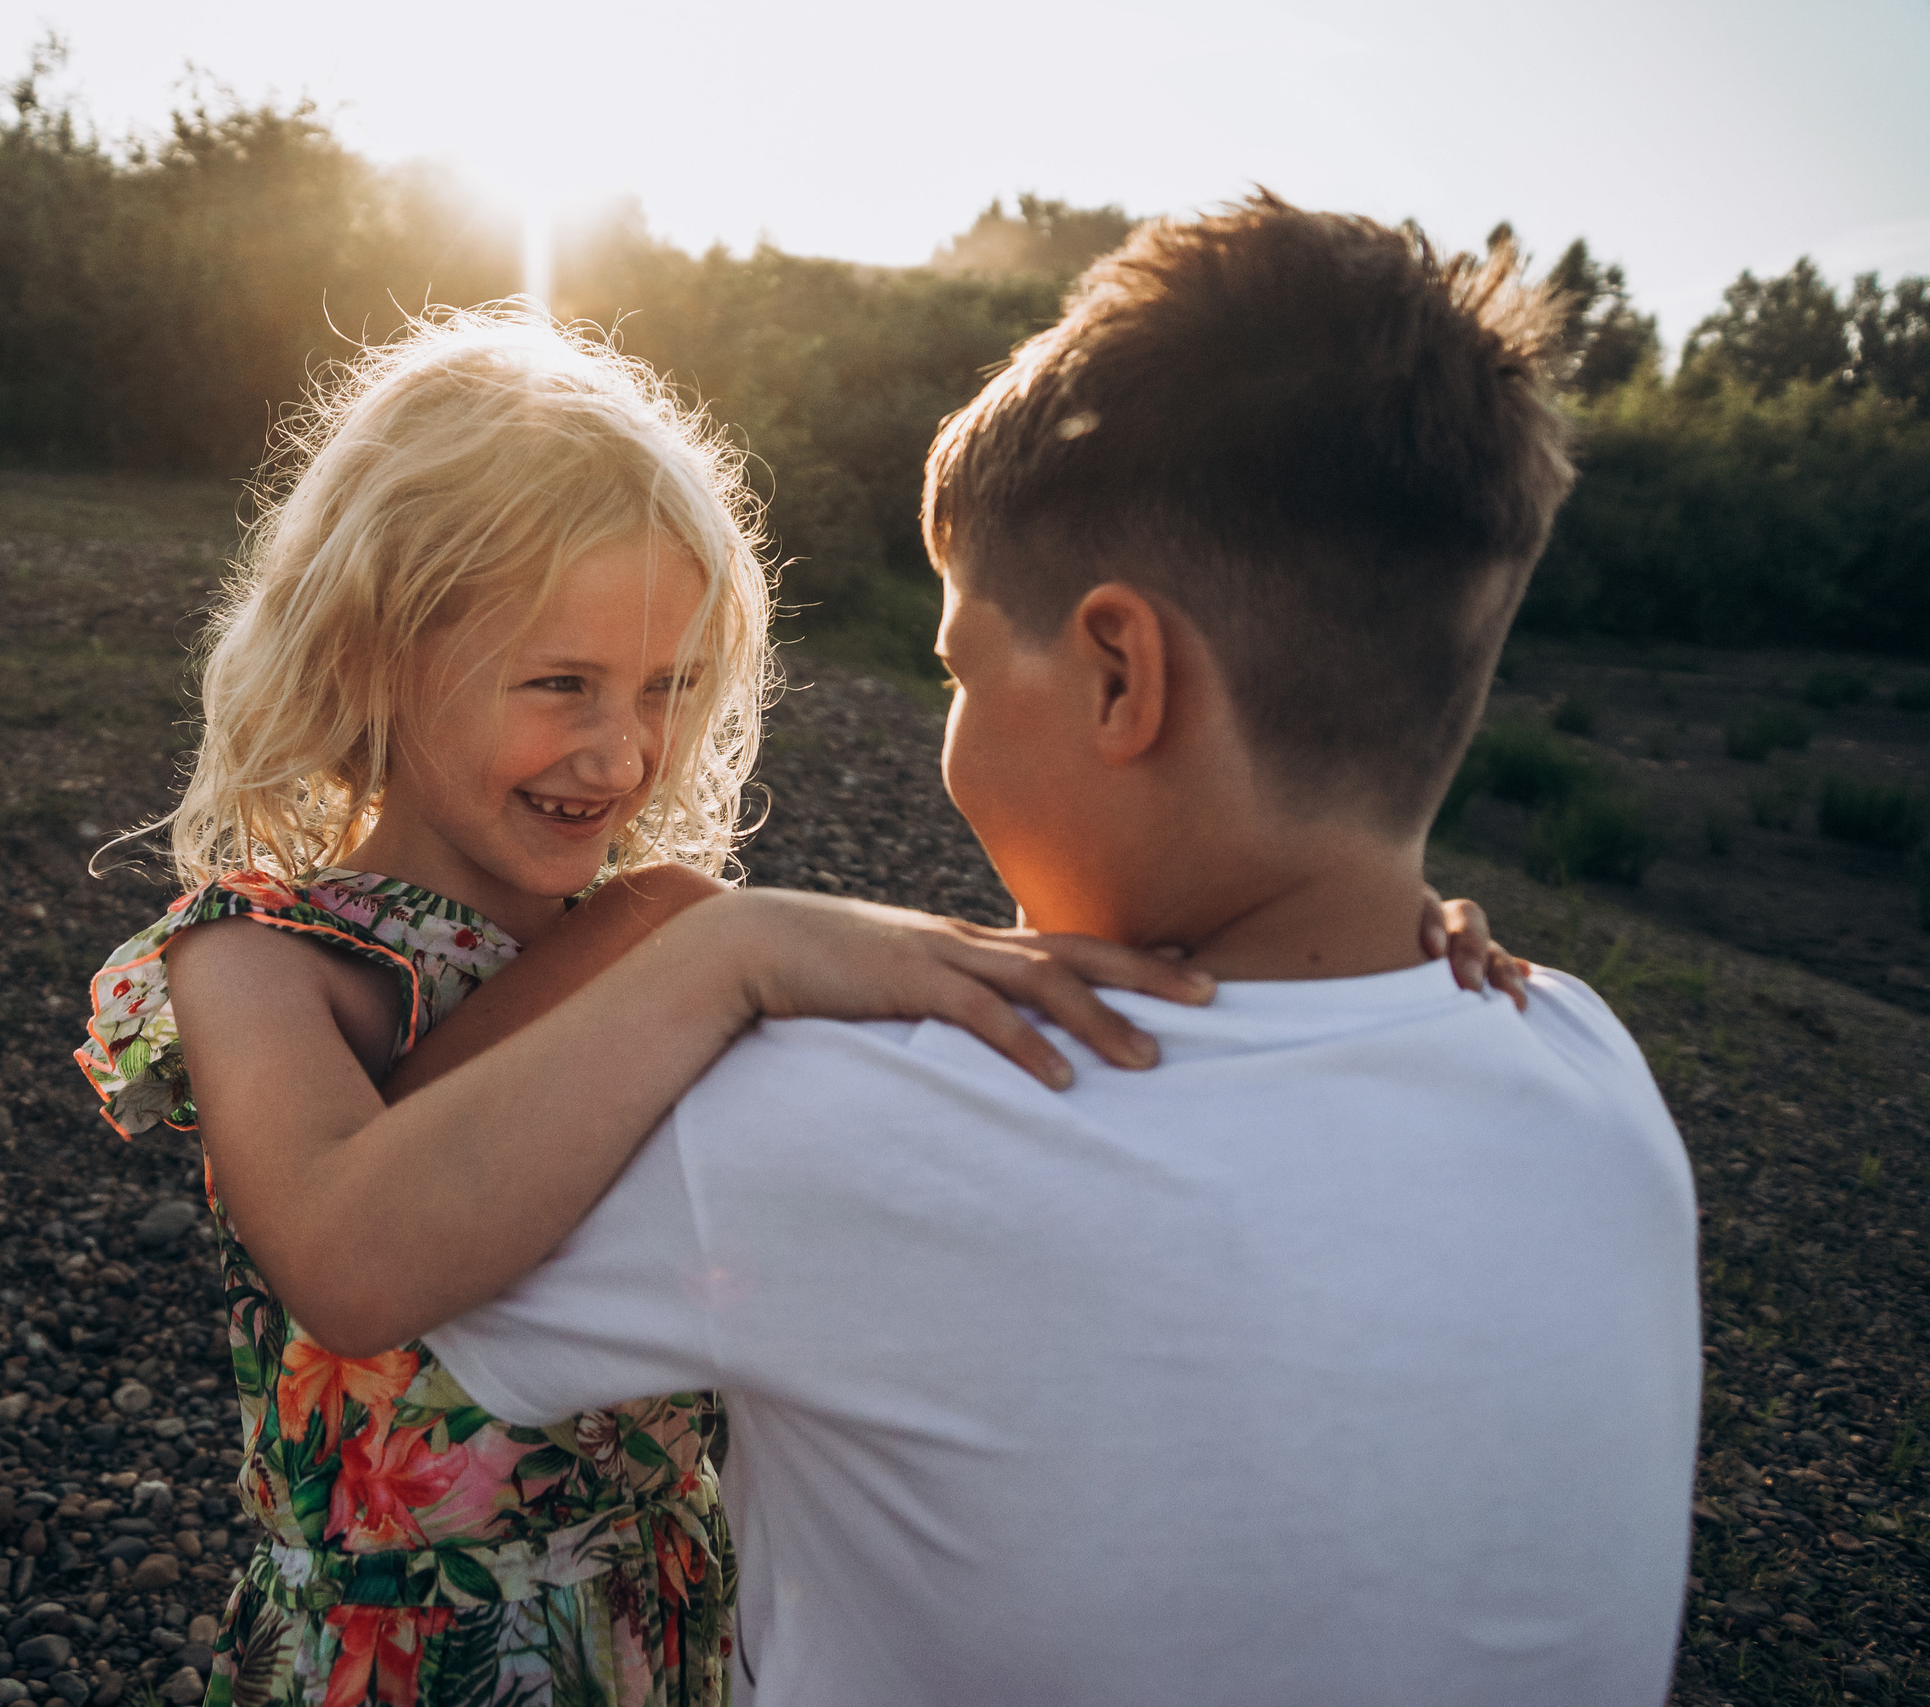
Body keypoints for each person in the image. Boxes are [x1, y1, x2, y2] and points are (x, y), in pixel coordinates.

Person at [76, 311, 1523, 1707]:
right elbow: (350, 1255)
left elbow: (998, 978)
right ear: (376, 646)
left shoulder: (658, 928)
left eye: (670, 686)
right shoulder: (257, 958)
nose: (625, 750)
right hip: (405, 1666)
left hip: (677, 1628)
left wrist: (1361, 944)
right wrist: (733, 955)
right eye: (562, 682)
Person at [416, 200, 1703, 1706]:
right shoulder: (1590, 1068)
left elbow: (379, 1219)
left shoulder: (848, 1127)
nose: (951, 726)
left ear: (1118, 673)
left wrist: (701, 938)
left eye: (957, 665)